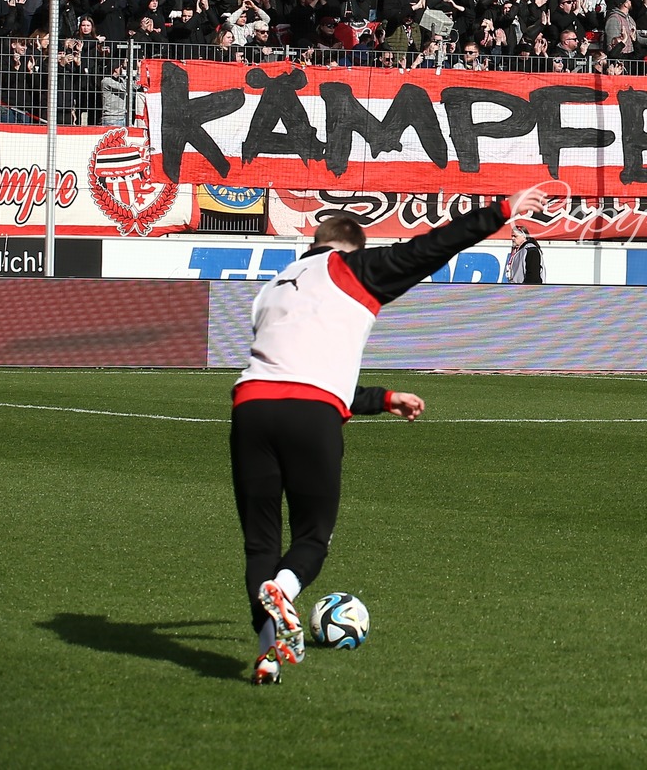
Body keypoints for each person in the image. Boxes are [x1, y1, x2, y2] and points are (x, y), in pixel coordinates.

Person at [233, 182, 552, 685]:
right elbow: (427, 249)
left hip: (250, 407)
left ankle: (268, 653)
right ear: (352, 247)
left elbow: (298, 366)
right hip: (310, 413)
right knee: (313, 537)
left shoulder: (273, 287)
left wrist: (381, 398)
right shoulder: (351, 268)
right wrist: (501, 212)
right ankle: (287, 590)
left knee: (260, 546)